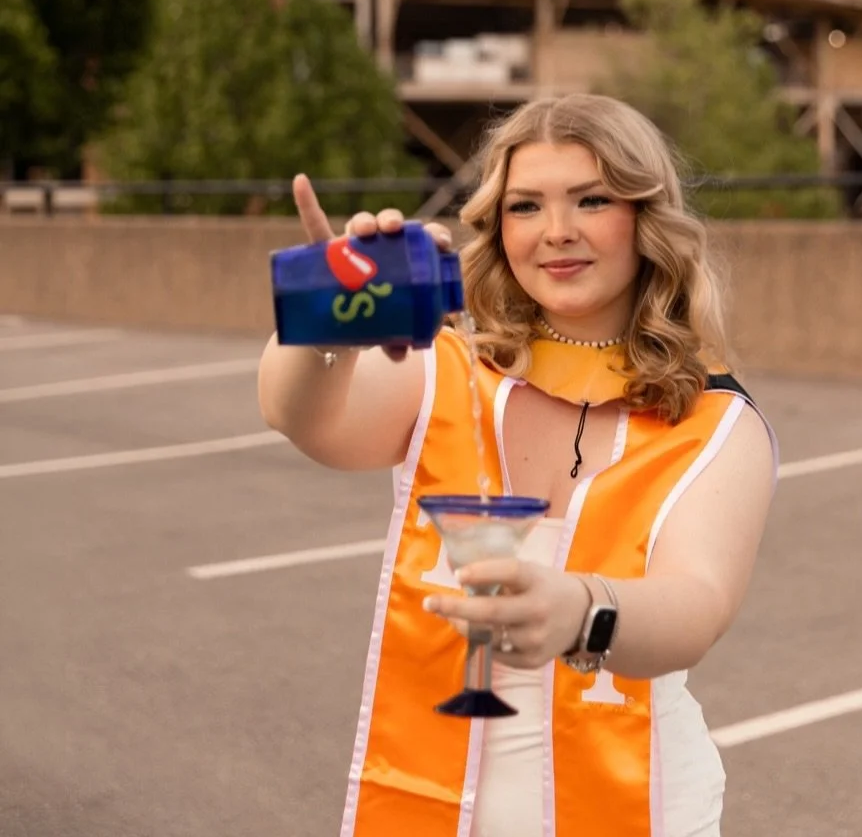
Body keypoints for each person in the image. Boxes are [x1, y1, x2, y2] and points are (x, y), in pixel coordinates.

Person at [258, 92, 778, 837]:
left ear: (646, 217)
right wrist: (325, 320)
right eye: (526, 206)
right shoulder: (449, 371)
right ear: (499, 228)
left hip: (639, 806)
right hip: (430, 807)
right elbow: (301, 416)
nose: (557, 233)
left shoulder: (714, 419)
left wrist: (582, 612)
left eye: (591, 200)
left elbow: (696, 606)